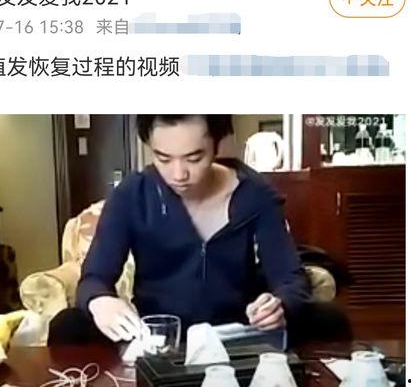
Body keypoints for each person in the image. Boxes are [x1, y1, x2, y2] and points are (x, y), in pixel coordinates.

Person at [48, 115, 312, 345]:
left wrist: (280, 305)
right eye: (163, 158)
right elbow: (94, 278)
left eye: (194, 158)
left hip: (234, 333)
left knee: (323, 318)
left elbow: (291, 279)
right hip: (155, 336)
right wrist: (100, 301)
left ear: (217, 144)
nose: (178, 175)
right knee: (68, 324)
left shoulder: (255, 194)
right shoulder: (132, 195)